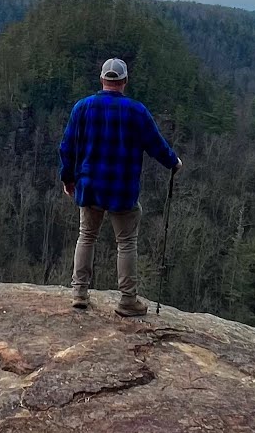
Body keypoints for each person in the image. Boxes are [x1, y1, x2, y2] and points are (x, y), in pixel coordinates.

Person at [59, 58, 183, 317]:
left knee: (86, 236)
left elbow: (67, 147)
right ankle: (127, 300)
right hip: (122, 188)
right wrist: (173, 162)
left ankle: (79, 293)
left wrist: (68, 179)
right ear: (124, 81)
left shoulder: (82, 107)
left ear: (102, 79)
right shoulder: (136, 111)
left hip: (89, 184)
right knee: (126, 242)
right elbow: (156, 144)